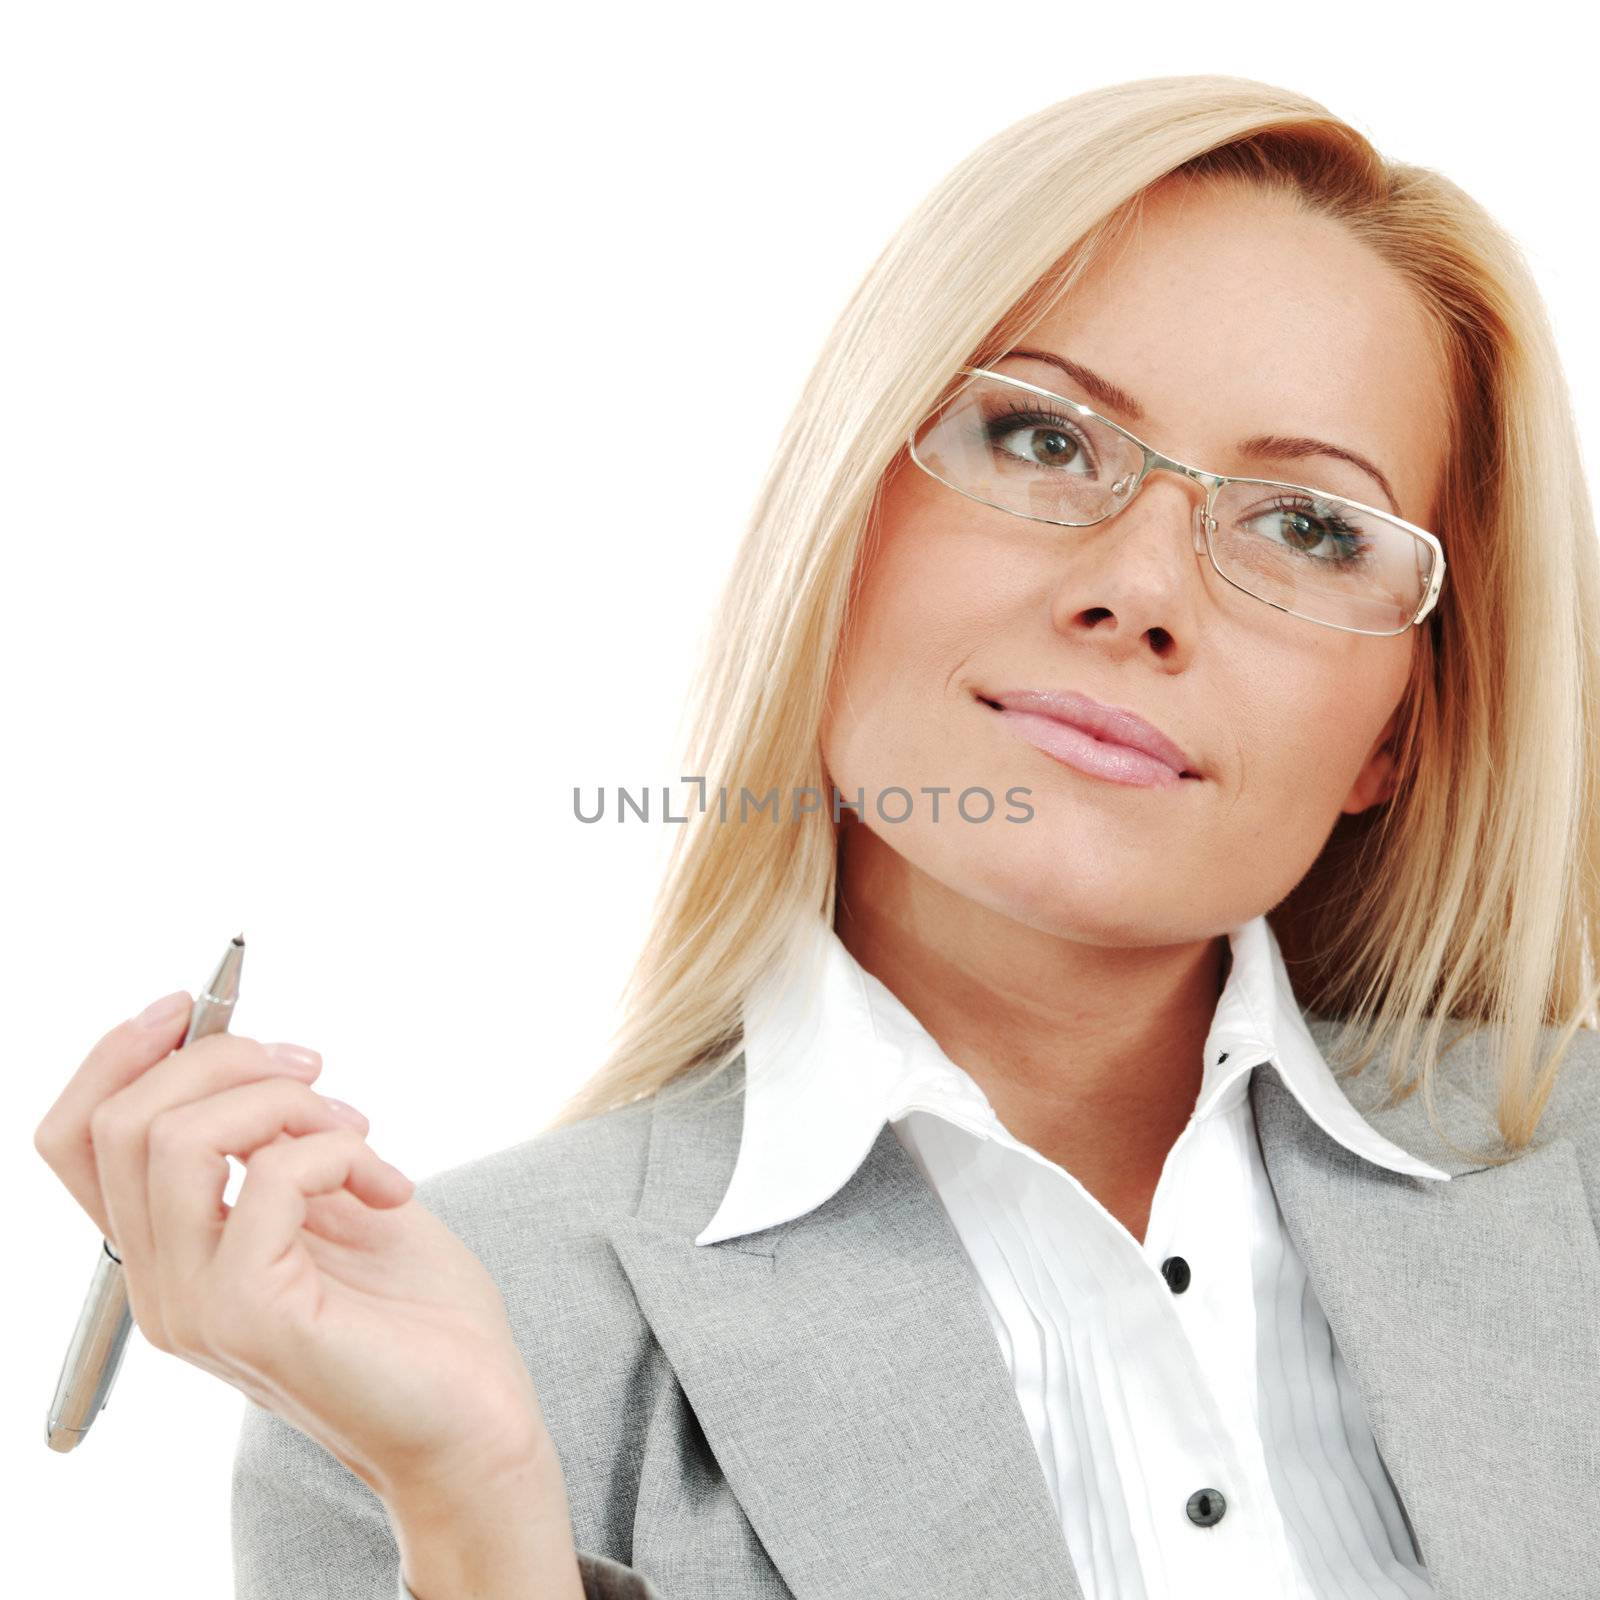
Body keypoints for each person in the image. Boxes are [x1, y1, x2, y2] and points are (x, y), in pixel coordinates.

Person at [35, 72, 1600, 1600]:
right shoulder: (439, 1353)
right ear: (845, 517)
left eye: (1310, 525)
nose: (1141, 589)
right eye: (1046, 440)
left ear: (1397, 731)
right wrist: (476, 1513)